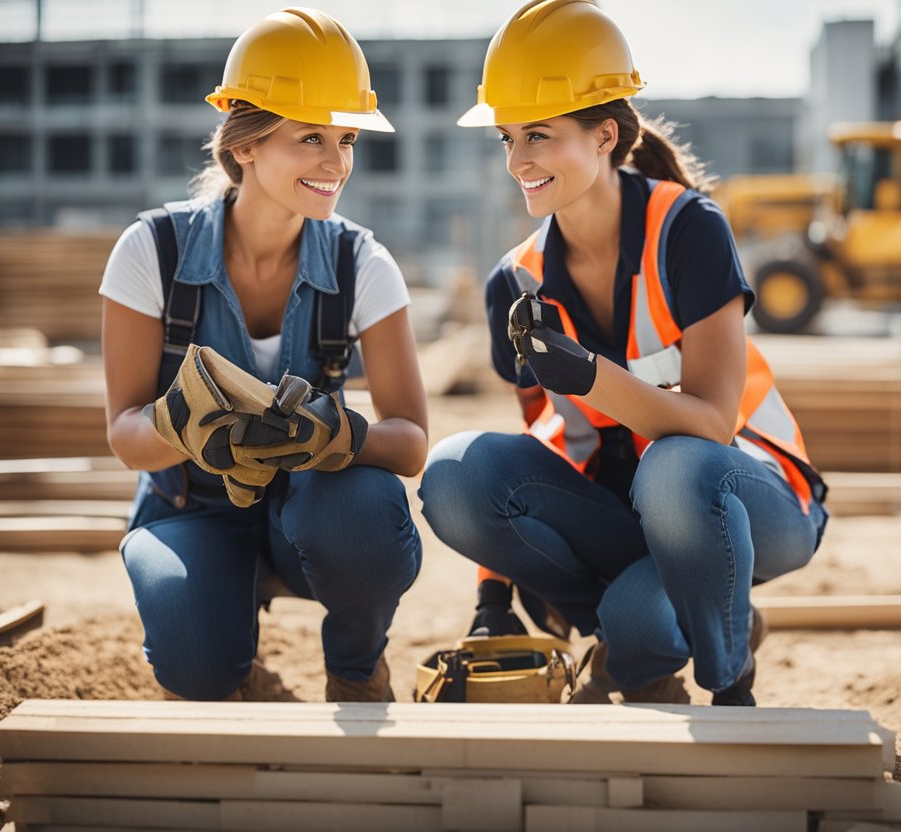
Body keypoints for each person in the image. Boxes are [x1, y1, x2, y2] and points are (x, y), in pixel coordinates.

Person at [420, 0, 828, 706]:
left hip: (749, 497)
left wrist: (586, 372)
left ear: (604, 135)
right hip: (627, 518)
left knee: (675, 466)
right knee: (456, 473)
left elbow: (708, 425)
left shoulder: (688, 230)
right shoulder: (514, 281)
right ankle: (650, 616)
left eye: (539, 135)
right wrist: (495, 593)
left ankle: (727, 670)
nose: (518, 160)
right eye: (507, 138)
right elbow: (541, 438)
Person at [100, 8, 427, 703]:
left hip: (309, 513)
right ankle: (224, 619)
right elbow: (125, 436)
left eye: (346, 139)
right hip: (192, 506)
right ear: (244, 145)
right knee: (196, 667)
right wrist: (181, 424)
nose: (336, 164)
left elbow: (411, 443)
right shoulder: (150, 253)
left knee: (362, 512)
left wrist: (333, 432)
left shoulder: (362, 263)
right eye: (311, 137)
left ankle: (356, 667)